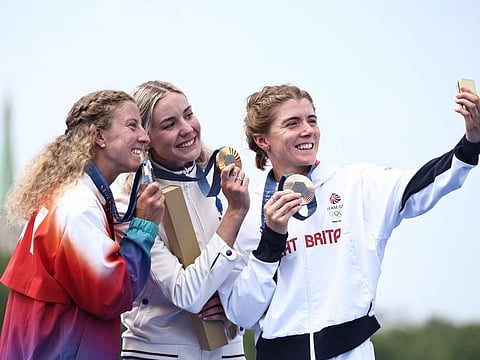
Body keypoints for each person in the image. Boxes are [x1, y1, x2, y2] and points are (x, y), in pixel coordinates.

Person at [218, 83, 480, 360]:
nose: (307, 130)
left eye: (312, 120)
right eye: (292, 123)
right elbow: (241, 313)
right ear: (263, 141)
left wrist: (471, 144)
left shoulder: (358, 184)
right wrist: (270, 242)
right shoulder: (245, 210)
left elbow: (428, 181)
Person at [0, 90, 165, 359]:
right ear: (99, 136)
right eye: (131, 125)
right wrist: (143, 227)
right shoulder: (79, 207)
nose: (145, 137)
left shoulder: (70, 195)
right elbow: (111, 296)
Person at [112, 80, 249, 360]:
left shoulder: (222, 183)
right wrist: (235, 213)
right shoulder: (130, 202)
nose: (187, 129)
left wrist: (235, 306)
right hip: (157, 352)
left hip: (230, 350)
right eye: (169, 124)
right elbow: (187, 294)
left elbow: (250, 269)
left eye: (188, 114)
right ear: (145, 137)